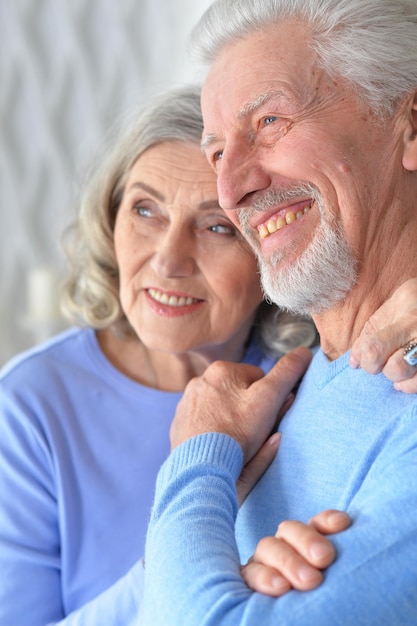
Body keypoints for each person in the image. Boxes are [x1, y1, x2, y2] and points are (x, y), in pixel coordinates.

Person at [0, 84, 358, 626]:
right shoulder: (29, 406)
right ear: (110, 217)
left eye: (217, 227)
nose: (168, 261)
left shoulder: (319, 374)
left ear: (272, 248)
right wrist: (182, 549)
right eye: (146, 210)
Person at [140, 1, 417, 624]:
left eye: (269, 121)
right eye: (216, 154)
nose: (232, 188)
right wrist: (211, 564)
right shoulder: (283, 390)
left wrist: (200, 457)